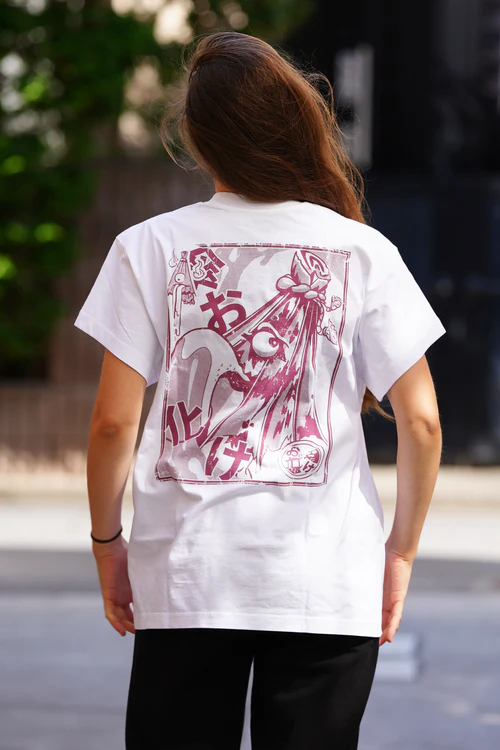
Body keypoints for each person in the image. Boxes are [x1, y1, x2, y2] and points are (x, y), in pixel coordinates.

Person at [74, 31, 445, 750]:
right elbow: (423, 422)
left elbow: (113, 425)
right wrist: (398, 554)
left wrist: (107, 543)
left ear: (196, 137)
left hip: (187, 578)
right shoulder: (363, 250)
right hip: (326, 581)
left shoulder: (148, 246)